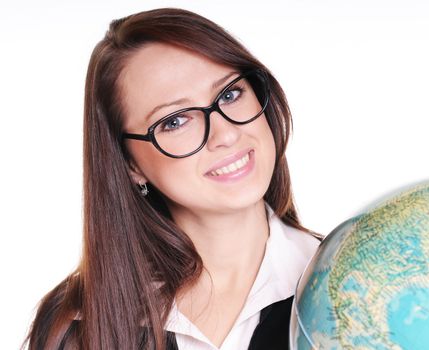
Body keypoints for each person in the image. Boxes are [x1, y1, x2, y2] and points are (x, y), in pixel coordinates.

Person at [24, 8, 323, 350]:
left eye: (229, 94)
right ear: (129, 164)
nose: (224, 134)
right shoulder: (77, 323)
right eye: (176, 121)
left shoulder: (359, 293)